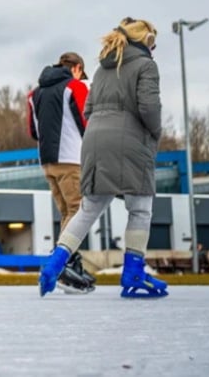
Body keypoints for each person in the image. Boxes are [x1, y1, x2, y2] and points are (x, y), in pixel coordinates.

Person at [40, 17, 168, 299]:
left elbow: (88, 110)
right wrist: (155, 134)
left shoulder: (100, 69)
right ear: (145, 42)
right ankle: (134, 272)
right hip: (131, 141)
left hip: (95, 141)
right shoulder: (146, 66)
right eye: (153, 43)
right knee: (140, 207)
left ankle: (54, 264)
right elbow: (149, 108)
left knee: (89, 208)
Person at [27, 52, 96, 293]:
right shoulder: (73, 87)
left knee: (67, 211)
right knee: (78, 211)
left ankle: (68, 261)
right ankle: (62, 265)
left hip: (47, 160)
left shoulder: (34, 93)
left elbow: (33, 130)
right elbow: (87, 122)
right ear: (77, 68)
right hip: (71, 157)